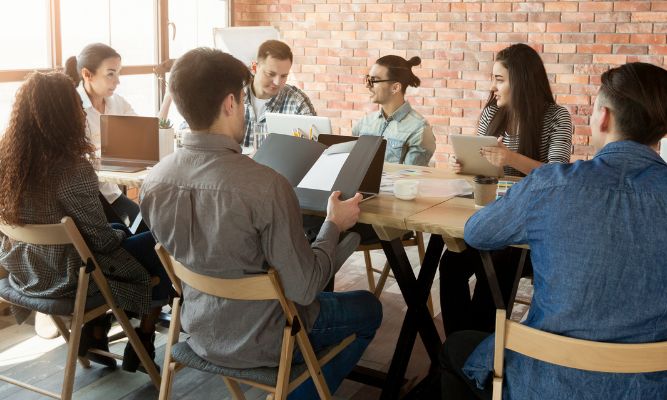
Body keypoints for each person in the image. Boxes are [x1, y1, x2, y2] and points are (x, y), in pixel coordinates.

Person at [139, 47, 382, 399]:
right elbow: (305, 288)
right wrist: (333, 225)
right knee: (370, 309)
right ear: (231, 103)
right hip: (271, 340)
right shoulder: (266, 186)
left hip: (199, 331)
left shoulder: (153, 181)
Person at [435, 61, 667, 400]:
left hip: (542, 381)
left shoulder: (552, 184)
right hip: (650, 386)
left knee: (455, 348)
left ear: (603, 118)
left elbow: (476, 234)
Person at [0, 71, 172, 372]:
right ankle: (142, 341)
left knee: (129, 234)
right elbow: (102, 243)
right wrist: (119, 232)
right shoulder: (71, 168)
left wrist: (118, 230)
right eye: (76, 106)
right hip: (70, 278)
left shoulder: (8, 160)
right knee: (163, 242)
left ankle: (95, 331)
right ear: (66, 115)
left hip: (26, 270)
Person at [440, 43, 573, 336]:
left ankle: (464, 357)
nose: (493, 87)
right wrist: (466, 164)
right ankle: (457, 350)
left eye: (499, 79)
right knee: (451, 264)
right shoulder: (492, 114)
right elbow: (484, 168)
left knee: (498, 267)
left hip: (530, 221)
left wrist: (511, 158)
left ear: (522, 81)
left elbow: (558, 175)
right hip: (494, 212)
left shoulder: (556, 117)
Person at [64, 43, 168, 226]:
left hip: (110, 194)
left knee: (150, 225)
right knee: (136, 233)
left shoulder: (116, 102)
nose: (117, 81)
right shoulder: (69, 106)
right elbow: (72, 153)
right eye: (111, 73)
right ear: (87, 75)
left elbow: (148, 132)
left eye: (119, 73)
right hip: (83, 199)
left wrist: (168, 99)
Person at [160, 40, 316, 148]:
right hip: (230, 175)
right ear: (255, 68)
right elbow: (192, 128)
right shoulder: (230, 91)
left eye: (284, 76)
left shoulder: (297, 102)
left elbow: (317, 144)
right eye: (271, 74)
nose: (277, 82)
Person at [352, 55, 435, 167]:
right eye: (368, 78)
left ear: (395, 88)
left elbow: (410, 177)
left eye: (374, 80)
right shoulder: (364, 123)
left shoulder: (419, 129)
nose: (367, 85)